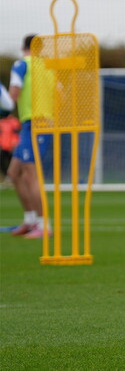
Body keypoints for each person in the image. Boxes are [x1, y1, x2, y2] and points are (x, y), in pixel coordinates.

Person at [6, 34, 50, 239]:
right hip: (37, 123)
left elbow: (12, 95)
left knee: (31, 174)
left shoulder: (22, 64)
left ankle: (43, 225)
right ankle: (30, 220)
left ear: (23, 47)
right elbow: (61, 94)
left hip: (34, 123)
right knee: (14, 172)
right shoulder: (48, 66)